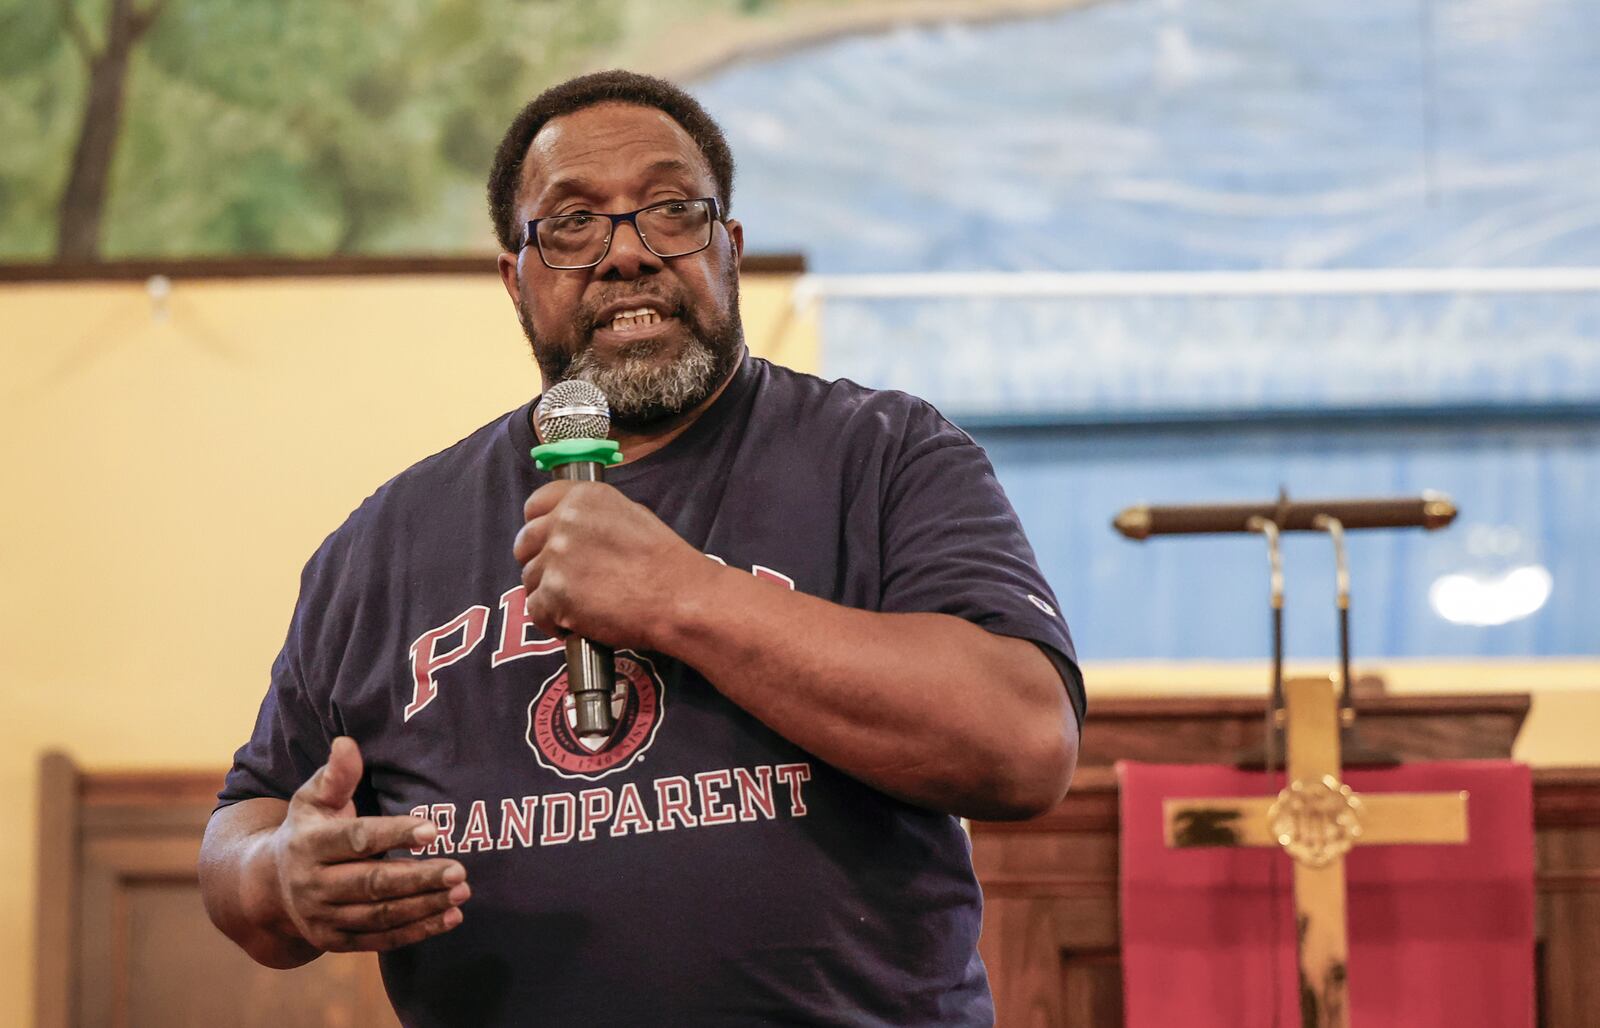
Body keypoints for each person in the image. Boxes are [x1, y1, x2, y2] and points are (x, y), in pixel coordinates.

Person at [198, 69, 1084, 1027]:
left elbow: (1025, 745)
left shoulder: (883, 456)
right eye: (573, 223)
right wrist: (279, 880)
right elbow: (240, 831)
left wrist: (682, 597)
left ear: (729, 249)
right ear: (515, 279)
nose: (627, 254)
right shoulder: (386, 540)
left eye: (670, 209)